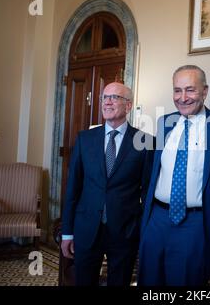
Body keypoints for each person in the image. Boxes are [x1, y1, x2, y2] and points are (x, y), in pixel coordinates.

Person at [138, 65, 210, 286]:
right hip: (156, 219)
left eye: (190, 90)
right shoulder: (164, 122)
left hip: (194, 223)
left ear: (204, 91)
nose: (182, 98)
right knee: (149, 281)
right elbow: (152, 172)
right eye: (177, 90)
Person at [61, 82, 153, 286]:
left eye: (114, 97)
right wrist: (67, 231)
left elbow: (147, 193)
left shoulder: (145, 141)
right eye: (104, 97)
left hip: (125, 231)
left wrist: (143, 231)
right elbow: (73, 189)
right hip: (86, 229)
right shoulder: (85, 139)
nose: (107, 102)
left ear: (128, 106)